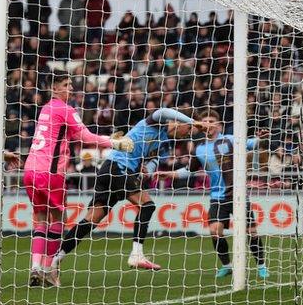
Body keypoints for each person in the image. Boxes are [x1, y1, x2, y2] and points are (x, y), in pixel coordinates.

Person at [49, 108, 209, 283]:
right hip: (118, 167)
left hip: (111, 171)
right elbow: (163, 110)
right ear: (182, 122)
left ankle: (54, 261)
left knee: (90, 220)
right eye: (189, 130)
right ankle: (136, 254)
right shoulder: (154, 123)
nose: (187, 135)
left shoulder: (166, 144)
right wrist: (194, 122)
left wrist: (146, 171)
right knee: (147, 205)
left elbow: (153, 162)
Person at [24, 71, 134, 286]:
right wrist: (114, 143)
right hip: (51, 171)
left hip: (30, 169)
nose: (71, 88)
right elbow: (84, 136)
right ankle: (48, 269)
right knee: (57, 221)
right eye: (66, 84)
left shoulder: (46, 109)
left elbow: (71, 136)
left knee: (39, 219)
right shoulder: (66, 109)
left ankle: (35, 267)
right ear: (54, 88)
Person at [154, 109, 269, 279]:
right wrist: (170, 174)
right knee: (215, 230)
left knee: (251, 231)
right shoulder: (199, 149)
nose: (207, 124)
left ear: (218, 125)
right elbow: (189, 170)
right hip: (217, 196)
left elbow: (253, 144)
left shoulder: (231, 140)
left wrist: (262, 138)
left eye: (211, 121)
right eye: (204, 121)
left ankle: (261, 265)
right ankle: (226, 265)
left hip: (237, 195)